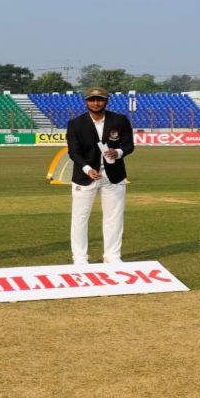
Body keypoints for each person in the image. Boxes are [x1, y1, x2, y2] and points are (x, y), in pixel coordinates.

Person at [66, 87, 134, 265]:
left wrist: (118, 152)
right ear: (86, 101)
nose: (96, 103)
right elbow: (74, 152)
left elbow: (129, 145)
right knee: (80, 218)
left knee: (114, 218)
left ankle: (112, 256)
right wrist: (87, 168)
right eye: (91, 99)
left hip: (114, 176)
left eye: (100, 99)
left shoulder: (119, 120)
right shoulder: (75, 123)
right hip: (85, 177)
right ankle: (80, 257)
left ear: (107, 100)